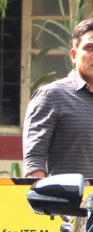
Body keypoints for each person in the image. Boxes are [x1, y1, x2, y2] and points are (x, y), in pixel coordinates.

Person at [23, 18, 93, 178]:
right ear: (74, 55)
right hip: (69, 201)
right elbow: (35, 159)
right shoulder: (51, 96)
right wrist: (45, 199)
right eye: (89, 48)